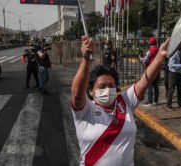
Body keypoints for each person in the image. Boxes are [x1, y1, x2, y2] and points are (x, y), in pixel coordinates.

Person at [71, 36, 170, 165]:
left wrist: (160, 56)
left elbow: (145, 81)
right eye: (101, 86)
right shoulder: (85, 110)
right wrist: (86, 59)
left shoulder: (125, 101)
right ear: (91, 91)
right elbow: (77, 95)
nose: (107, 89)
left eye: (111, 86)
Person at [166, 44, 181, 110]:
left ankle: (179, 103)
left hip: (179, 73)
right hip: (173, 73)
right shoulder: (174, 54)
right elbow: (170, 64)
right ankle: (168, 105)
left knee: (180, 89)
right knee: (171, 89)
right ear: (178, 46)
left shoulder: (180, 54)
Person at [139, 37, 159, 106]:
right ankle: (156, 101)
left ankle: (150, 101)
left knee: (149, 86)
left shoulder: (150, 51)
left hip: (150, 69)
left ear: (150, 43)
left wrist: (140, 57)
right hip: (156, 69)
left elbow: (144, 60)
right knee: (156, 86)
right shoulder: (158, 50)